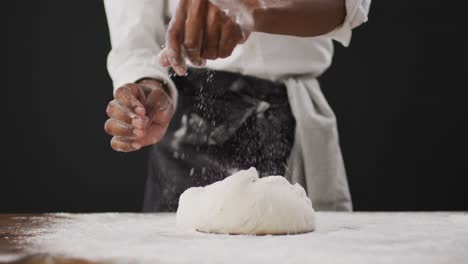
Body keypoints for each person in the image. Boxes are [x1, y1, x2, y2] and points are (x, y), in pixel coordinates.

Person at [103, 0, 371, 212]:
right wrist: (147, 84)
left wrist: (251, 8)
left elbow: (348, 6)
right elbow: (136, 35)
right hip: (191, 130)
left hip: (294, 120)